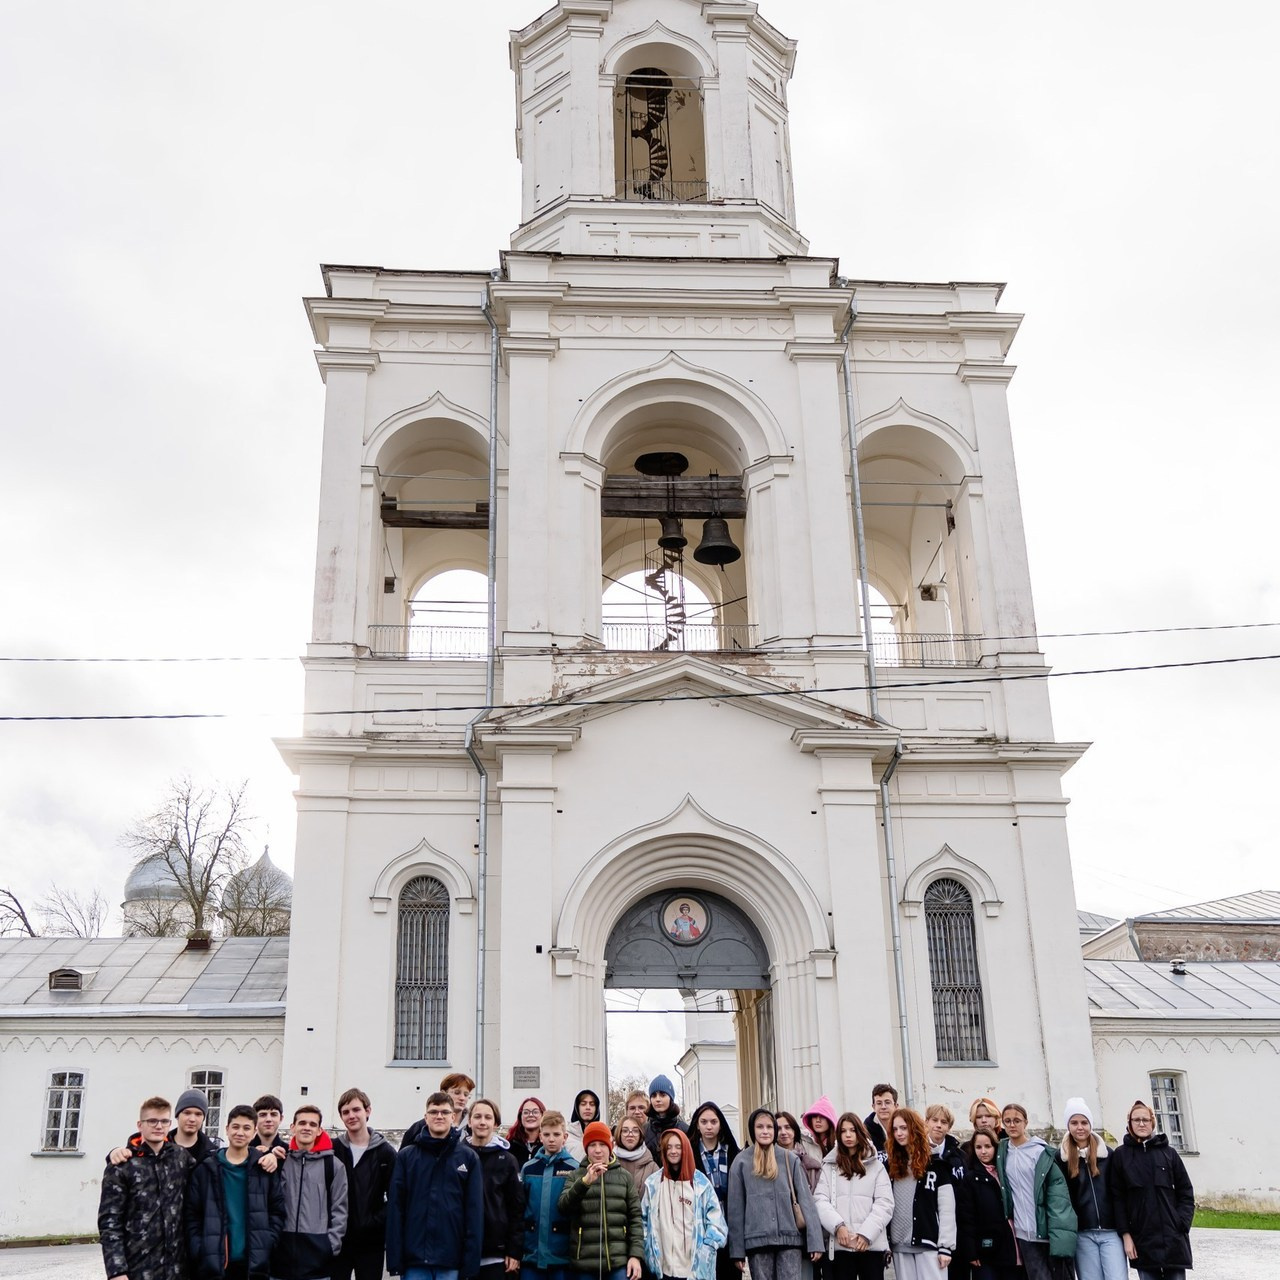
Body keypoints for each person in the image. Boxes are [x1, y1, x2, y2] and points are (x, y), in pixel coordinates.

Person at [387, 1091, 485, 1280]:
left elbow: (474, 1213)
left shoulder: (468, 1158)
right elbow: (396, 1208)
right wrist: (395, 1259)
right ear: (426, 1117)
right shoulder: (407, 1157)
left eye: (444, 1112)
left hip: (451, 1259)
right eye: (433, 1112)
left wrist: (470, 1262)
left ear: (453, 1116)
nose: (439, 1116)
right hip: (414, 1259)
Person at [185, 1103, 287, 1279]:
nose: (240, 1133)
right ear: (227, 1129)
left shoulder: (264, 1170)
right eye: (236, 1127)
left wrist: (267, 1242)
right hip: (213, 1263)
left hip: (253, 1263)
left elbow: (277, 1210)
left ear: (254, 1132)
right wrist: (200, 1248)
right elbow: (192, 1214)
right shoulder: (206, 1169)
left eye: (247, 1128)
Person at [99, 1095, 192, 1280]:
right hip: (137, 1268)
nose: (158, 1126)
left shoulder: (181, 1158)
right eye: (152, 1121)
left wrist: (261, 1152)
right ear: (140, 1125)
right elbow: (110, 1222)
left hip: (176, 1269)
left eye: (164, 1121)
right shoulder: (122, 1165)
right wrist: (117, 1271)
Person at [727, 1108, 824, 1280]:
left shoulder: (789, 1159)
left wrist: (815, 1241)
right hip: (757, 1241)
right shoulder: (741, 1162)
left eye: (769, 1127)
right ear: (752, 1130)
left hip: (789, 1240)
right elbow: (736, 1209)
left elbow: (806, 1200)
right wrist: (737, 1251)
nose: (765, 1131)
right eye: (760, 1127)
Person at [1107, 1100, 1194, 1280]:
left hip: (1173, 1240)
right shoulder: (1121, 1156)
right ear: (1129, 1123)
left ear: (1152, 1122)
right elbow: (1118, 1198)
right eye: (1136, 1119)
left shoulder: (1169, 1153)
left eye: (1145, 1120)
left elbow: (1186, 1192)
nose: (1141, 1123)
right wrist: (1126, 1235)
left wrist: (1181, 1224)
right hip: (1142, 1240)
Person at [994, 1104, 1075, 1280]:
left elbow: (1057, 1195)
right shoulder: (1002, 1151)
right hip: (1023, 1232)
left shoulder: (1040, 1152)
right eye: (1007, 1121)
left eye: (1017, 1120)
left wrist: (1058, 1232)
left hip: (1045, 1229)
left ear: (1026, 1122)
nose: (1012, 1125)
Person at [558, 1120, 644, 1280]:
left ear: (610, 1146)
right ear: (586, 1149)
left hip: (617, 1261)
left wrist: (635, 1256)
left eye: (602, 1145)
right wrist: (584, 1183)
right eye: (592, 1145)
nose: (597, 1150)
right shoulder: (576, 1175)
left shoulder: (624, 1176)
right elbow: (564, 1207)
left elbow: (635, 1219)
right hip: (584, 1263)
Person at [271, 1104, 349, 1280]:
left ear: (320, 1130)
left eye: (313, 1124)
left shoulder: (333, 1166)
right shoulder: (280, 1162)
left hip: (317, 1262)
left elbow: (340, 1210)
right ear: (293, 1127)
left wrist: (330, 1246)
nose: (307, 1127)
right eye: (302, 1123)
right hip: (280, 1259)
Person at [812, 1112, 892, 1280]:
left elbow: (885, 1204)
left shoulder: (876, 1167)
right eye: (843, 1131)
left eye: (852, 1130)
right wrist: (838, 1226)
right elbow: (820, 1200)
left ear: (860, 1132)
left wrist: (866, 1234)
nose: (848, 1135)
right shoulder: (830, 1166)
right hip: (840, 1247)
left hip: (871, 1247)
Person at [641, 1128, 728, 1280]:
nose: (673, 1151)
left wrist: (706, 1249)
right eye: (669, 1147)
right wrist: (648, 1248)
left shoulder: (701, 1185)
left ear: (686, 1149)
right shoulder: (653, 1184)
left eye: (678, 1147)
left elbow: (717, 1222)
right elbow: (642, 1220)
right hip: (663, 1269)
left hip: (694, 1270)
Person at [1054, 1097, 1125, 1280]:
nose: (1080, 1127)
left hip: (1111, 1232)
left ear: (1090, 1124)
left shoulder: (1107, 1155)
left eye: (1084, 1122)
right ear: (1068, 1125)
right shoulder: (1061, 1159)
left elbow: (1118, 1192)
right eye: (1074, 1122)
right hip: (1083, 1232)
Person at [333, 1087, 398, 1280]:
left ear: (367, 1111)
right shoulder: (334, 1149)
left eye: (356, 1110)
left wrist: (373, 1222)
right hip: (338, 1240)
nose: (351, 1116)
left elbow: (395, 1197)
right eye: (346, 1112)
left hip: (371, 1242)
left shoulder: (385, 1152)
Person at [885, 1107, 955, 1280]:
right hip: (900, 1245)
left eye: (903, 1128)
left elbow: (946, 1208)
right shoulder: (891, 1167)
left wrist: (945, 1246)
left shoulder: (936, 1164)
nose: (899, 1133)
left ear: (914, 1128)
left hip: (929, 1244)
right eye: (895, 1129)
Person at [468, 1097, 526, 1280]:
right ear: (469, 1121)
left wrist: (514, 1251)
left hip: (496, 1254)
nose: (482, 1122)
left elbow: (517, 1208)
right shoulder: (459, 1156)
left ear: (496, 1124)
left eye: (488, 1117)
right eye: (477, 1116)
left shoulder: (507, 1160)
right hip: (462, 1252)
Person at [953, 1130, 1018, 1280]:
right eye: (978, 1147)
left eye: (987, 1146)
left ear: (995, 1147)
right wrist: (971, 1251)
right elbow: (966, 1218)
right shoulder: (970, 1179)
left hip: (1009, 1247)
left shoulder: (1005, 1173)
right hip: (984, 1250)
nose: (983, 1151)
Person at [107, 1086, 225, 1168]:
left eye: (198, 1114)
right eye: (187, 1113)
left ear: (203, 1118)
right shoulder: (158, 1143)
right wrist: (114, 1153)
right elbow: (133, 1154)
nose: (192, 1119)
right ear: (177, 1115)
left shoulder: (212, 1152)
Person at [522, 1110, 579, 1280]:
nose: (551, 1139)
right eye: (547, 1134)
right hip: (531, 1252)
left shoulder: (573, 1169)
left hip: (561, 1254)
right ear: (540, 1136)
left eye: (556, 1134)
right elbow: (520, 1206)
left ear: (565, 1136)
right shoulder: (529, 1168)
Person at [687, 1103, 740, 1280]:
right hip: (702, 1226)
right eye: (704, 1122)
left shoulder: (732, 1152)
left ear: (720, 1124)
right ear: (697, 1124)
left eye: (713, 1122)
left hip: (730, 1223)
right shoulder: (690, 1153)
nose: (709, 1126)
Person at [644, 1076, 689, 1161]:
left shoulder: (685, 1130)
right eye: (654, 1096)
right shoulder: (643, 1131)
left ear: (670, 1098)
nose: (657, 1099)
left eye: (662, 1095)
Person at [775, 1112, 822, 1192]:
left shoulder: (811, 1165)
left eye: (787, 1127)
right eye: (779, 1129)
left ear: (795, 1130)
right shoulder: (768, 1161)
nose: (783, 1132)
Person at [615, 1113, 659, 1195]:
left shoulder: (652, 1167)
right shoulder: (609, 1162)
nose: (630, 1134)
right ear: (619, 1134)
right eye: (625, 1131)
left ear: (640, 1134)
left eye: (635, 1131)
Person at [923, 1106, 965, 1187]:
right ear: (926, 1122)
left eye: (944, 1122)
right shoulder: (916, 1152)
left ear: (949, 1127)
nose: (939, 1125)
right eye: (934, 1120)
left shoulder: (960, 1156)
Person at [567, 1088, 603, 1163]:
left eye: (592, 1104)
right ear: (577, 1107)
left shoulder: (603, 1134)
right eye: (583, 1104)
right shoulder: (566, 1136)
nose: (588, 1108)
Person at [510, 1097, 548, 1167]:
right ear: (520, 1117)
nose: (530, 1115)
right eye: (526, 1112)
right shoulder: (510, 1146)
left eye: (535, 1112)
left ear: (543, 1115)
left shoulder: (549, 1145)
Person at [253, 1094, 289, 1163]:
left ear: (281, 1118)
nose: (268, 1119)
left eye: (273, 1114)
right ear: (254, 1119)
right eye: (263, 1115)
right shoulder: (245, 1151)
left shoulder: (288, 1152)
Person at [800, 1098, 837, 1165]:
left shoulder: (838, 1144)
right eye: (814, 1116)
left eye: (822, 1117)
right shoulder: (803, 1141)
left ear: (830, 1120)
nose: (818, 1120)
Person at [863, 1087, 897, 1157]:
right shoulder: (865, 1132)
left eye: (887, 1102)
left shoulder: (905, 1128)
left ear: (896, 1106)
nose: (883, 1107)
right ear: (873, 1107)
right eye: (879, 1103)